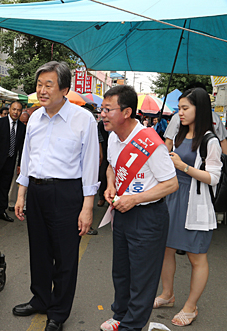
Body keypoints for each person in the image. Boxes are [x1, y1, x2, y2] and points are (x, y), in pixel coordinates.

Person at [13, 61, 99, 331]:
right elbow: (27, 159)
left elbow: (90, 165)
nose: (42, 90)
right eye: (39, 84)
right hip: (36, 191)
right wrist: (20, 194)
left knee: (65, 256)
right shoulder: (35, 117)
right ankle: (40, 298)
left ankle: (58, 313)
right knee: (39, 250)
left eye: (48, 84)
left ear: (64, 89)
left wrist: (87, 208)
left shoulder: (83, 119)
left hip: (66, 193)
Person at [99, 85, 178, 331]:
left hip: (148, 217)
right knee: (121, 271)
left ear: (127, 112)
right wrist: (111, 185)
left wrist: (136, 199)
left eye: (107, 110)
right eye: (102, 109)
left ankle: (131, 326)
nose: (102, 114)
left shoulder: (150, 143)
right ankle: (120, 315)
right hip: (122, 212)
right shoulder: (113, 137)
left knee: (142, 278)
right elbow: (112, 166)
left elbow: (171, 184)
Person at [153, 88, 222, 327]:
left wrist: (182, 166)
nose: (179, 113)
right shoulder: (181, 135)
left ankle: (191, 307)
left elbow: (213, 177)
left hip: (196, 202)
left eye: (185, 108)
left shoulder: (209, 141)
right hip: (172, 198)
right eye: (179, 108)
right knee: (166, 248)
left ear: (199, 109)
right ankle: (167, 294)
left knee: (197, 256)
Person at [0, 101, 26, 223]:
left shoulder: (22, 127)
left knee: (5, 187)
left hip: (11, 161)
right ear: (9, 109)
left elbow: (22, 147)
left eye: (18, 110)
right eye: (14, 109)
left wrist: (19, 164)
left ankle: (1, 211)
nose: (16, 112)